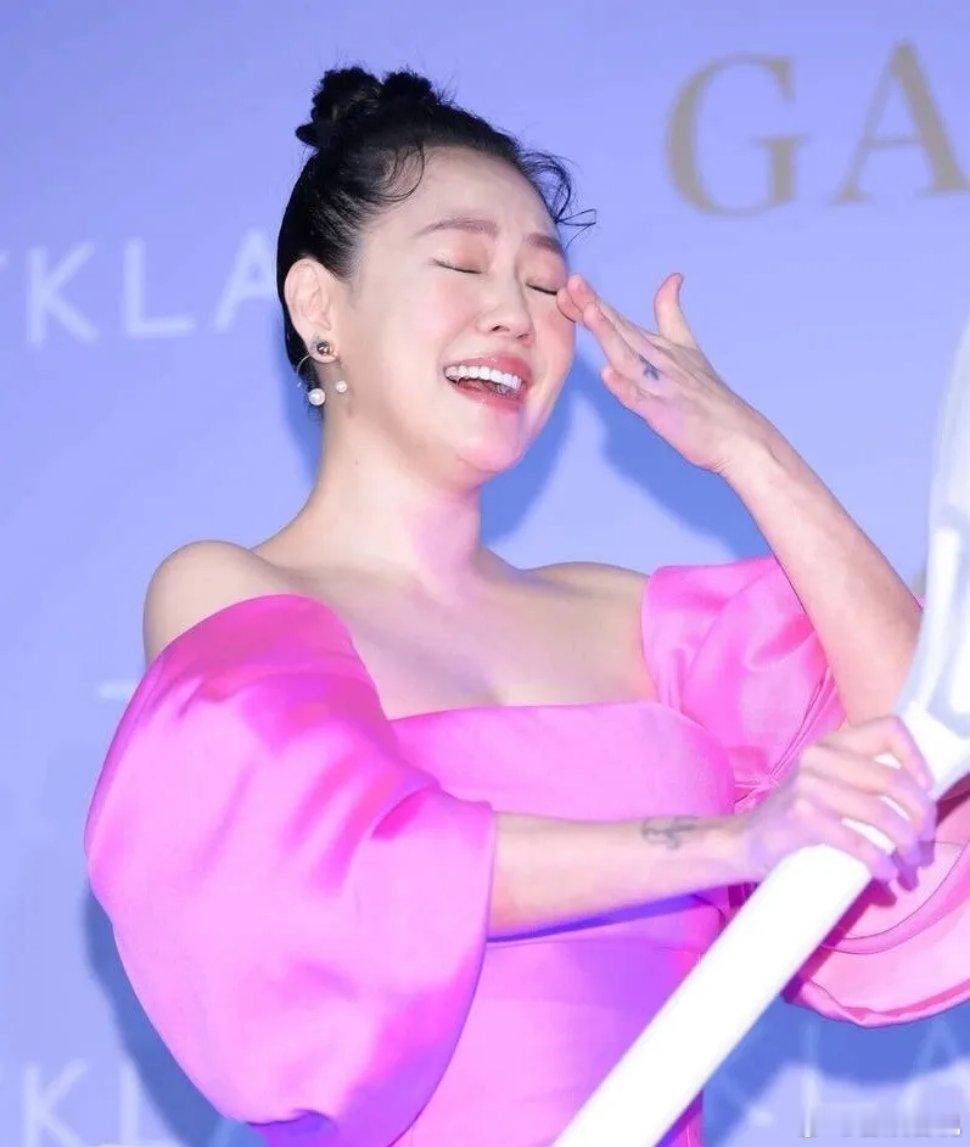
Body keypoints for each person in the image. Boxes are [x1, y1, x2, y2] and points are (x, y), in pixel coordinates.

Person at [83, 65, 969, 1147]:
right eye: (461, 264)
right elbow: (360, 876)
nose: (513, 314)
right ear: (319, 306)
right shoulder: (231, 592)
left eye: (546, 286)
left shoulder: (633, 622)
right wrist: (729, 841)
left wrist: (749, 451)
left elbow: (928, 743)